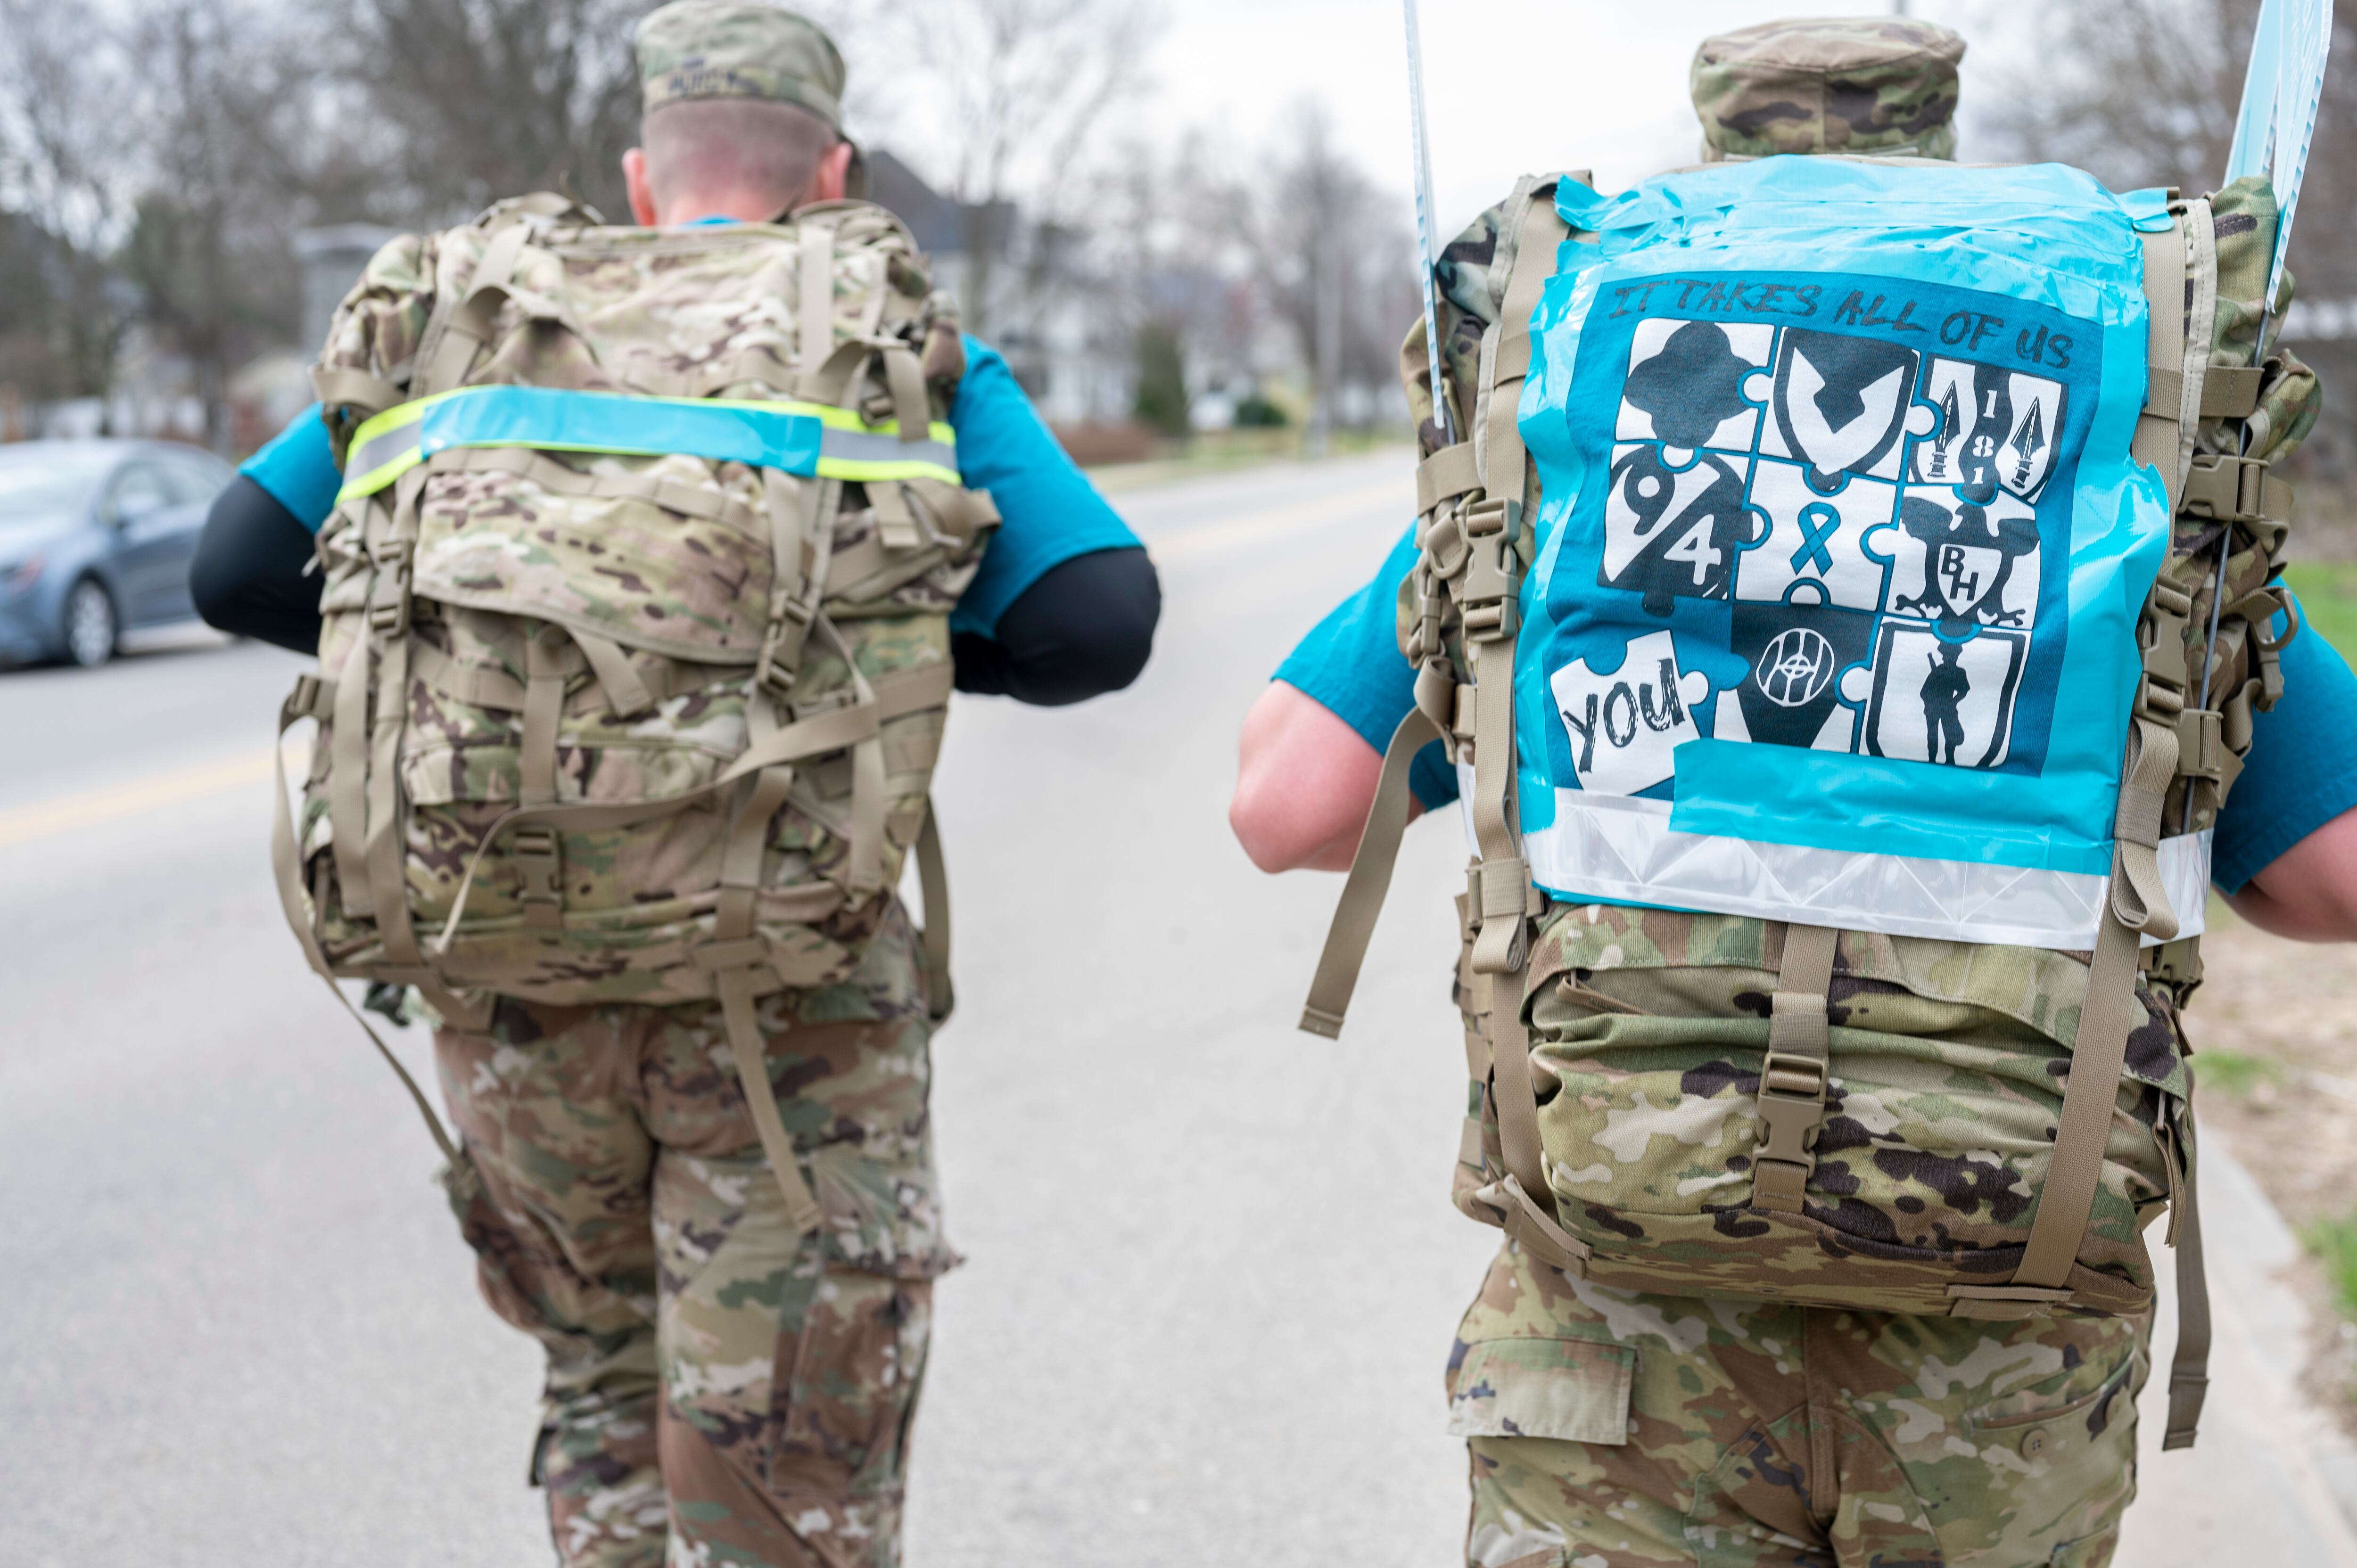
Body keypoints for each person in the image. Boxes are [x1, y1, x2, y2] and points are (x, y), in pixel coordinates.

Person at [1232, 18, 2357, 1567]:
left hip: (1621, 1324)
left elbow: (1286, 807)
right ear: (1937, 148)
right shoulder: (2116, 435)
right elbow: (2334, 877)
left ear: (1721, 156)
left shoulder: (1572, 419)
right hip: (2004, 1330)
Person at [193, 7, 1157, 1565]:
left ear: (645, 179)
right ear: (832, 173)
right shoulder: (884, 332)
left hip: (511, 989)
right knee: (784, 1448)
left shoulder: (465, 311)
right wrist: (851, 654)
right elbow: (1099, 622)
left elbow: (233, 570)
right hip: (787, 1015)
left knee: (597, 1377)